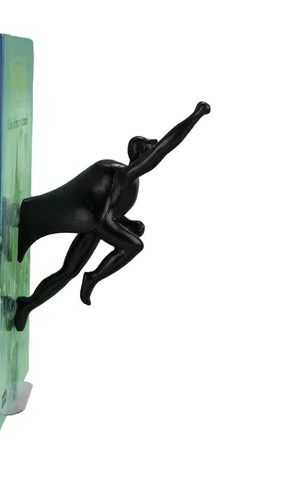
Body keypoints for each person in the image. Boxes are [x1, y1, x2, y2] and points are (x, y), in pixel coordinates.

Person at [14, 101, 211, 330]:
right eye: (149, 145)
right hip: (96, 220)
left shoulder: (129, 182)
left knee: (67, 272)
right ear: (141, 155)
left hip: (97, 221)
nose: (154, 145)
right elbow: (165, 148)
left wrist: (128, 223)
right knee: (134, 246)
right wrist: (196, 116)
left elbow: (112, 207)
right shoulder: (126, 174)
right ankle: (93, 278)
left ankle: (26, 306)